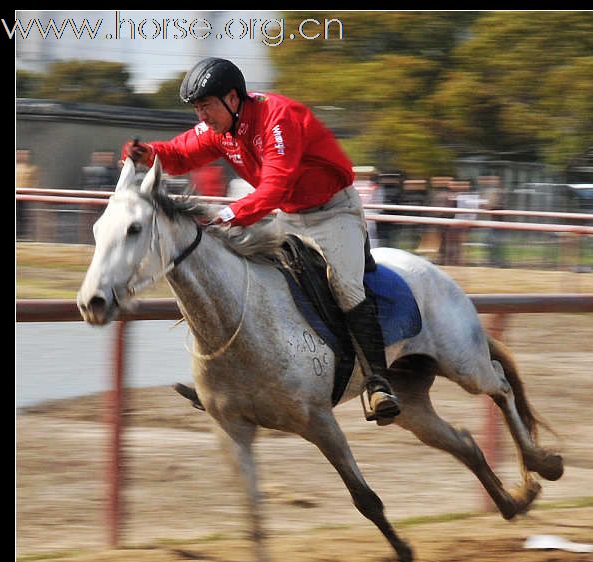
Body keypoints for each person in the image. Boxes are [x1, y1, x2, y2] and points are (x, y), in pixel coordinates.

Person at [121, 57, 399, 422]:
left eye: (206, 106)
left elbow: (274, 186)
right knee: (249, 277)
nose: (202, 116)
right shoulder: (221, 128)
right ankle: (231, 379)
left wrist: (227, 216)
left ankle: (378, 384)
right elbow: (181, 153)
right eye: (197, 108)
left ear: (233, 99)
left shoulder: (278, 118)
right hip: (289, 213)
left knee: (345, 286)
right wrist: (148, 153)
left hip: (334, 212)